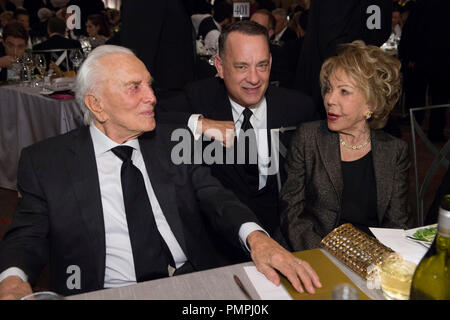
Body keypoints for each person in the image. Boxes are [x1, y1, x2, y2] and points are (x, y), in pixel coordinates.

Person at [0, 45, 321, 299]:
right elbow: (26, 236)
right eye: (134, 88)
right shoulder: (47, 162)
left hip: (190, 283)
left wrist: (256, 238)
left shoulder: (170, 143)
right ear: (96, 105)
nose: (152, 97)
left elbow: (215, 196)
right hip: (105, 291)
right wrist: (13, 279)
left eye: (149, 86)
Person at [157, 21, 317, 262]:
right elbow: (149, 118)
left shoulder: (297, 108)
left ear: (270, 63)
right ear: (220, 66)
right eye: (242, 66)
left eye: (262, 65)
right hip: (217, 241)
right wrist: (201, 124)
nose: (254, 79)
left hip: (282, 238)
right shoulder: (199, 97)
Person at [280, 41, 412, 251]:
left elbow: (397, 223)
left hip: (372, 259)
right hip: (318, 255)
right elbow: (292, 214)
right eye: (329, 89)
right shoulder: (308, 138)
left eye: (344, 91)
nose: (330, 99)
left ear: (372, 104)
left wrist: (377, 264)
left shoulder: (394, 151)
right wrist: (324, 257)